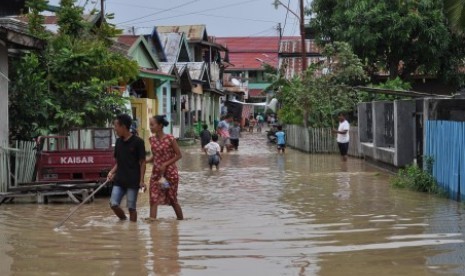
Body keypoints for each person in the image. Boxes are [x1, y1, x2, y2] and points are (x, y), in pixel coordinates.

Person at [107, 114, 146, 222]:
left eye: (116, 126)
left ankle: (133, 230)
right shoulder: (118, 142)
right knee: (113, 204)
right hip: (119, 180)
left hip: (133, 181)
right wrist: (111, 172)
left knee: (131, 208)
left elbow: (142, 162)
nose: (115, 129)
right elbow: (118, 162)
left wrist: (142, 180)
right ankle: (123, 220)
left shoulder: (138, 142)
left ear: (123, 126)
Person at [146, 115, 183, 220]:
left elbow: (179, 155)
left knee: (172, 199)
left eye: (152, 125)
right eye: (150, 125)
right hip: (156, 175)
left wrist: (165, 164)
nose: (151, 127)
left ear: (160, 126)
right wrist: (146, 161)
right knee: (153, 198)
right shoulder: (151, 140)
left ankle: (180, 221)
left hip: (169, 176)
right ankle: (153, 225)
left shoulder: (170, 138)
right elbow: (155, 156)